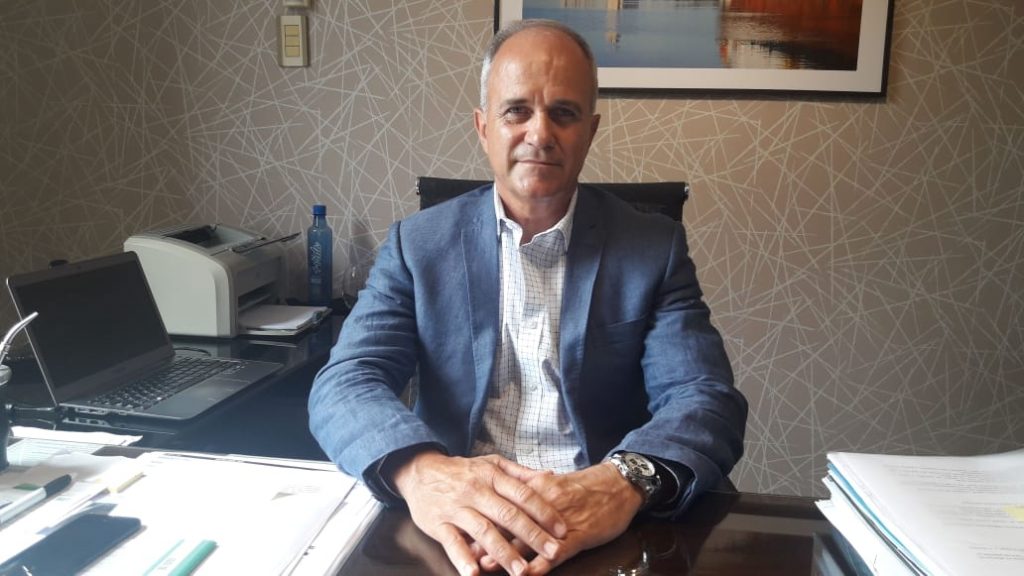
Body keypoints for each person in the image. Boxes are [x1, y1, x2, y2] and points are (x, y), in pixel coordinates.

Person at [309, 19, 747, 576]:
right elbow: (347, 381)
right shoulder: (417, 246)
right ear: (483, 127)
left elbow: (703, 395)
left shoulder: (652, 249)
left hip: (601, 525)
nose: (540, 134)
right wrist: (422, 473)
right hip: (458, 527)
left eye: (563, 113)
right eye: (517, 111)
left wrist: (623, 481)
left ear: (590, 130)